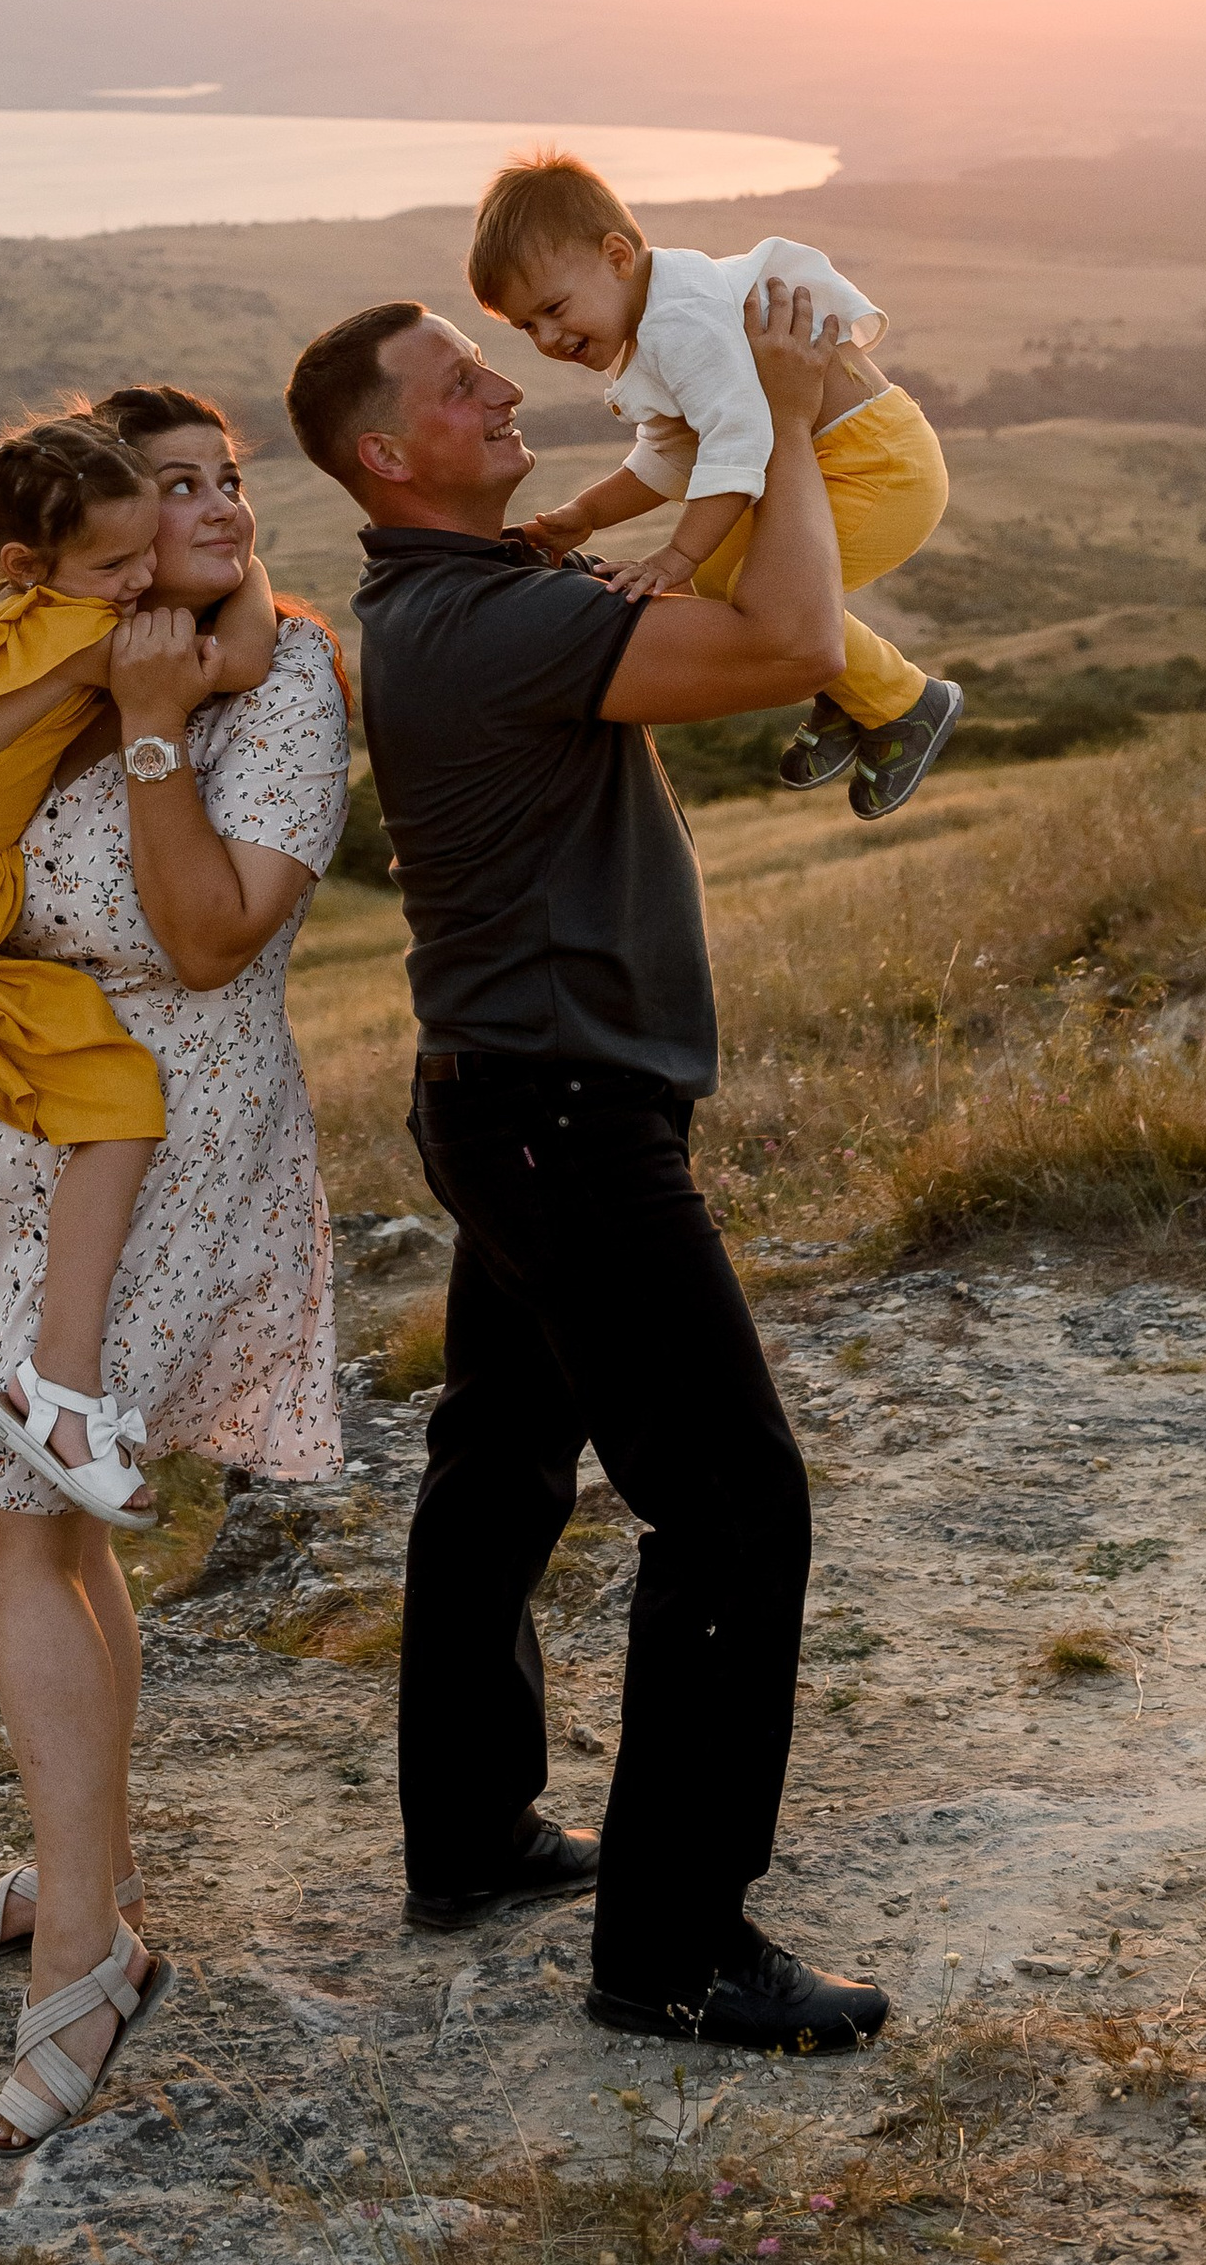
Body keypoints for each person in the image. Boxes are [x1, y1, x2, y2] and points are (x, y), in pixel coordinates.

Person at [282, 279, 890, 2054]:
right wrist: (768, 414)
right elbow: (789, 642)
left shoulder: (464, 596)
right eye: (466, 384)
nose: (505, 390)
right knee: (732, 1503)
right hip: (563, 1119)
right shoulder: (497, 622)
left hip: (508, 1097)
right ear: (390, 454)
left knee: (501, 1459)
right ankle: (673, 1949)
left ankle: (469, 1833)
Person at [0, 385, 349, 2152]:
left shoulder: (273, 689)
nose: (201, 507)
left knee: (6, 1535)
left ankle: (87, 1955)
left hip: (165, 1128)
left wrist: (144, 726)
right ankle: (84, 1874)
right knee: (51, 1534)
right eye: (162, 488)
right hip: (8, 1110)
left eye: (221, 482)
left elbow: (207, 942)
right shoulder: (77, 644)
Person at [0, 412, 278, 1526]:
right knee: (117, 1098)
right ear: (35, 564)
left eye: (144, 555)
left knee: (75, 1081)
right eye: (115, 562)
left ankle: (53, 1382)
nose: (138, 583)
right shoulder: (88, 634)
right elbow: (245, 659)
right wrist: (253, 565)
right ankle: (56, 1388)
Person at [467, 150, 962, 820]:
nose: (548, 338)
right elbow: (671, 455)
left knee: (748, 592)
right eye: (528, 325)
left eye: (554, 308)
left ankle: (906, 704)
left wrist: (675, 557)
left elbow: (737, 444)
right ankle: (857, 695)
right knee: (731, 581)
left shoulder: (679, 324)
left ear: (617, 256)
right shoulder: (656, 323)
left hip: (877, 468)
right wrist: (583, 516)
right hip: (836, 463)